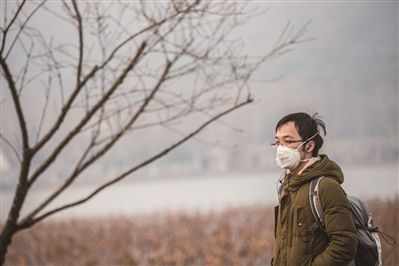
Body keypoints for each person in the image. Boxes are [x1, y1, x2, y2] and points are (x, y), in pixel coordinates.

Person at [271, 112, 357, 266]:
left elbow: (344, 245)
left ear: (310, 145)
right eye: (277, 142)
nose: (280, 148)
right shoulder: (286, 186)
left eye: (288, 141)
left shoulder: (326, 187)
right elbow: (283, 244)